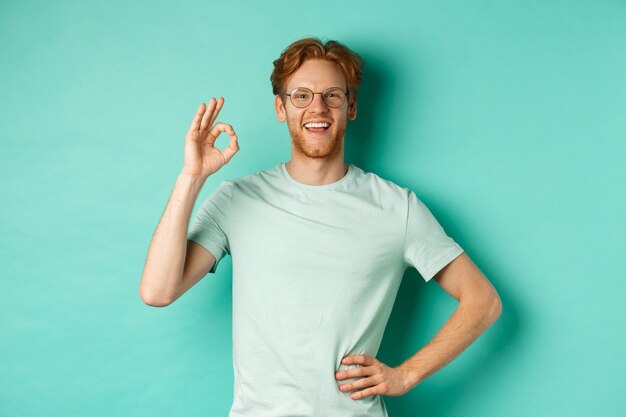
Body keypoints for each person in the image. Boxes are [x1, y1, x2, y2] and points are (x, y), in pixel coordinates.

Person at [139, 37, 502, 417]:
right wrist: (191, 176)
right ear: (281, 107)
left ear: (351, 107)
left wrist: (407, 375)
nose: (318, 107)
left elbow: (483, 301)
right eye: (301, 95)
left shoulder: (397, 208)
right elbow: (158, 291)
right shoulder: (237, 199)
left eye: (332, 95)